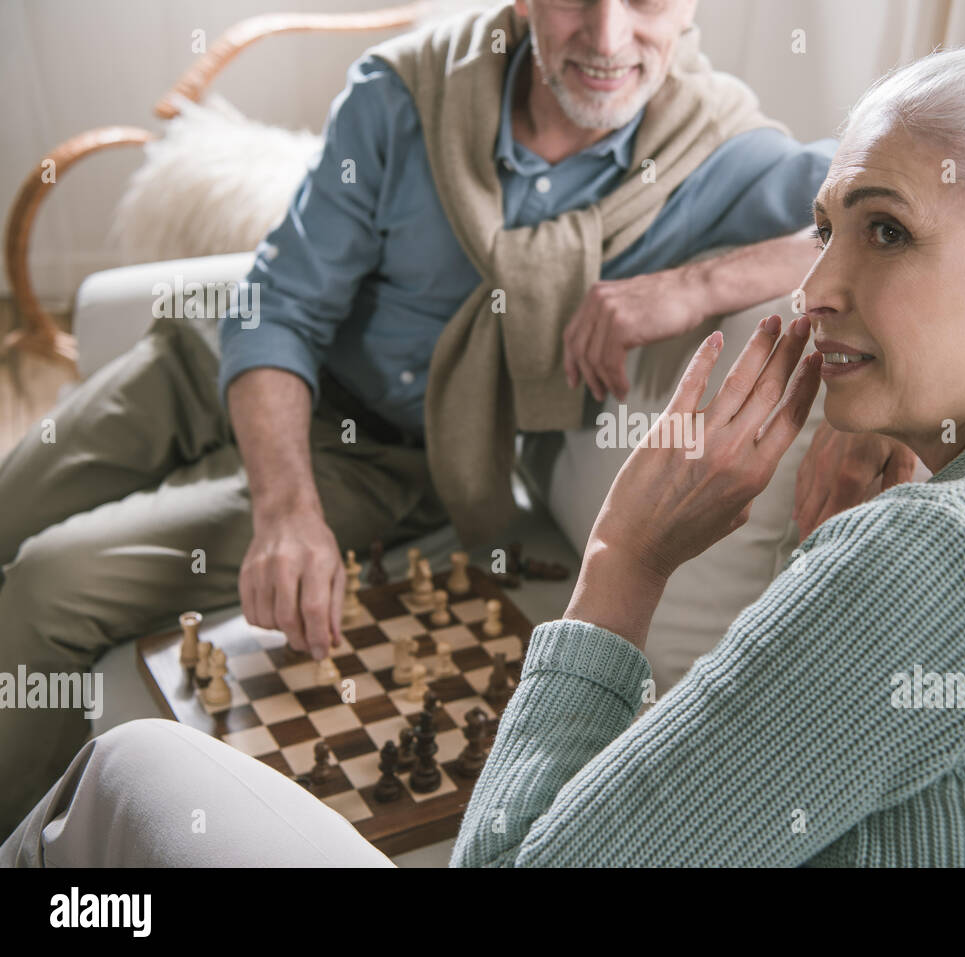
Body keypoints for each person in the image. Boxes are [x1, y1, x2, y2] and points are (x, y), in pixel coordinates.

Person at [3, 43, 965, 868]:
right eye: (827, 228)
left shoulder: (933, 561)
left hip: (397, 488)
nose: (816, 286)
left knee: (126, 769)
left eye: (883, 232)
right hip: (289, 397)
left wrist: (623, 557)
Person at [0, 0, 884, 834]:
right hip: (210, 363)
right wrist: (282, 510)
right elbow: (279, 306)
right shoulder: (403, 92)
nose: (609, 38)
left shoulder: (717, 152)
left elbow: (878, 213)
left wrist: (710, 293)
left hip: (384, 459)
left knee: (44, 587)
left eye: (647, 1)